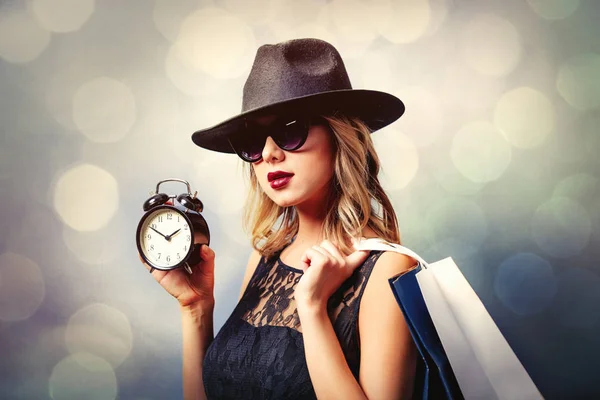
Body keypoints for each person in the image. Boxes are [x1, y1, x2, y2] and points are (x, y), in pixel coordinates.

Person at [140, 38, 419, 399]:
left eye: (290, 130)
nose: (269, 153)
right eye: (253, 141)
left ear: (340, 136)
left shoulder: (388, 269)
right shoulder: (265, 258)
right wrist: (195, 308)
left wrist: (313, 307)